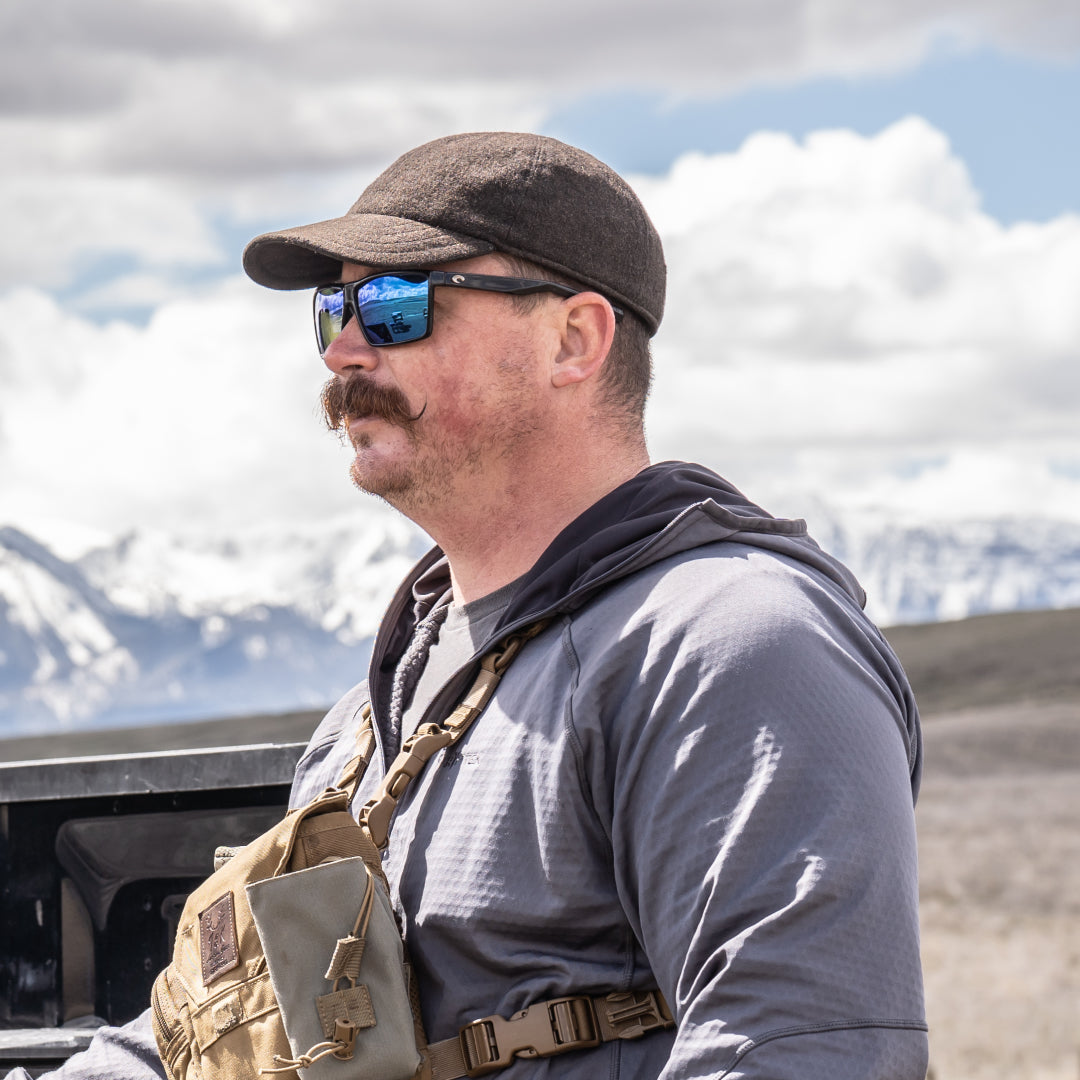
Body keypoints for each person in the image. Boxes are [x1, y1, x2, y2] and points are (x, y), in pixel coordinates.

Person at [14, 132, 928, 1079]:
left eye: (400, 306)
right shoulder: (367, 726)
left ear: (574, 340)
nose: (347, 352)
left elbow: (799, 1052)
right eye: (335, 310)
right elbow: (214, 1036)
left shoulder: (731, 649)